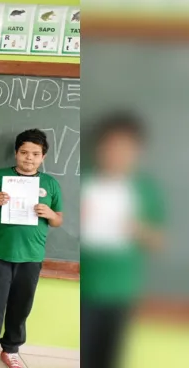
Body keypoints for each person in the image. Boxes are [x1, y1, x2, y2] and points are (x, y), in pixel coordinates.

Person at [0, 129, 63, 368]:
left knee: (22, 305)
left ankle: (11, 349)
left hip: (31, 255)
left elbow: (58, 219)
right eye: (24, 152)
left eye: (35, 154)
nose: (29, 158)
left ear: (43, 157)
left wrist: (50, 213)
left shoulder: (50, 184)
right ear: (16, 153)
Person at [80, 113, 164, 368]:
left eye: (125, 148)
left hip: (122, 291)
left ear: (137, 152)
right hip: (84, 289)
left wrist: (137, 229)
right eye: (111, 146)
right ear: (99, 147)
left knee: (110, 358)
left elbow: (159, 243)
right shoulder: (84, 182)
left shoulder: (146, 189)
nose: (117, 154)